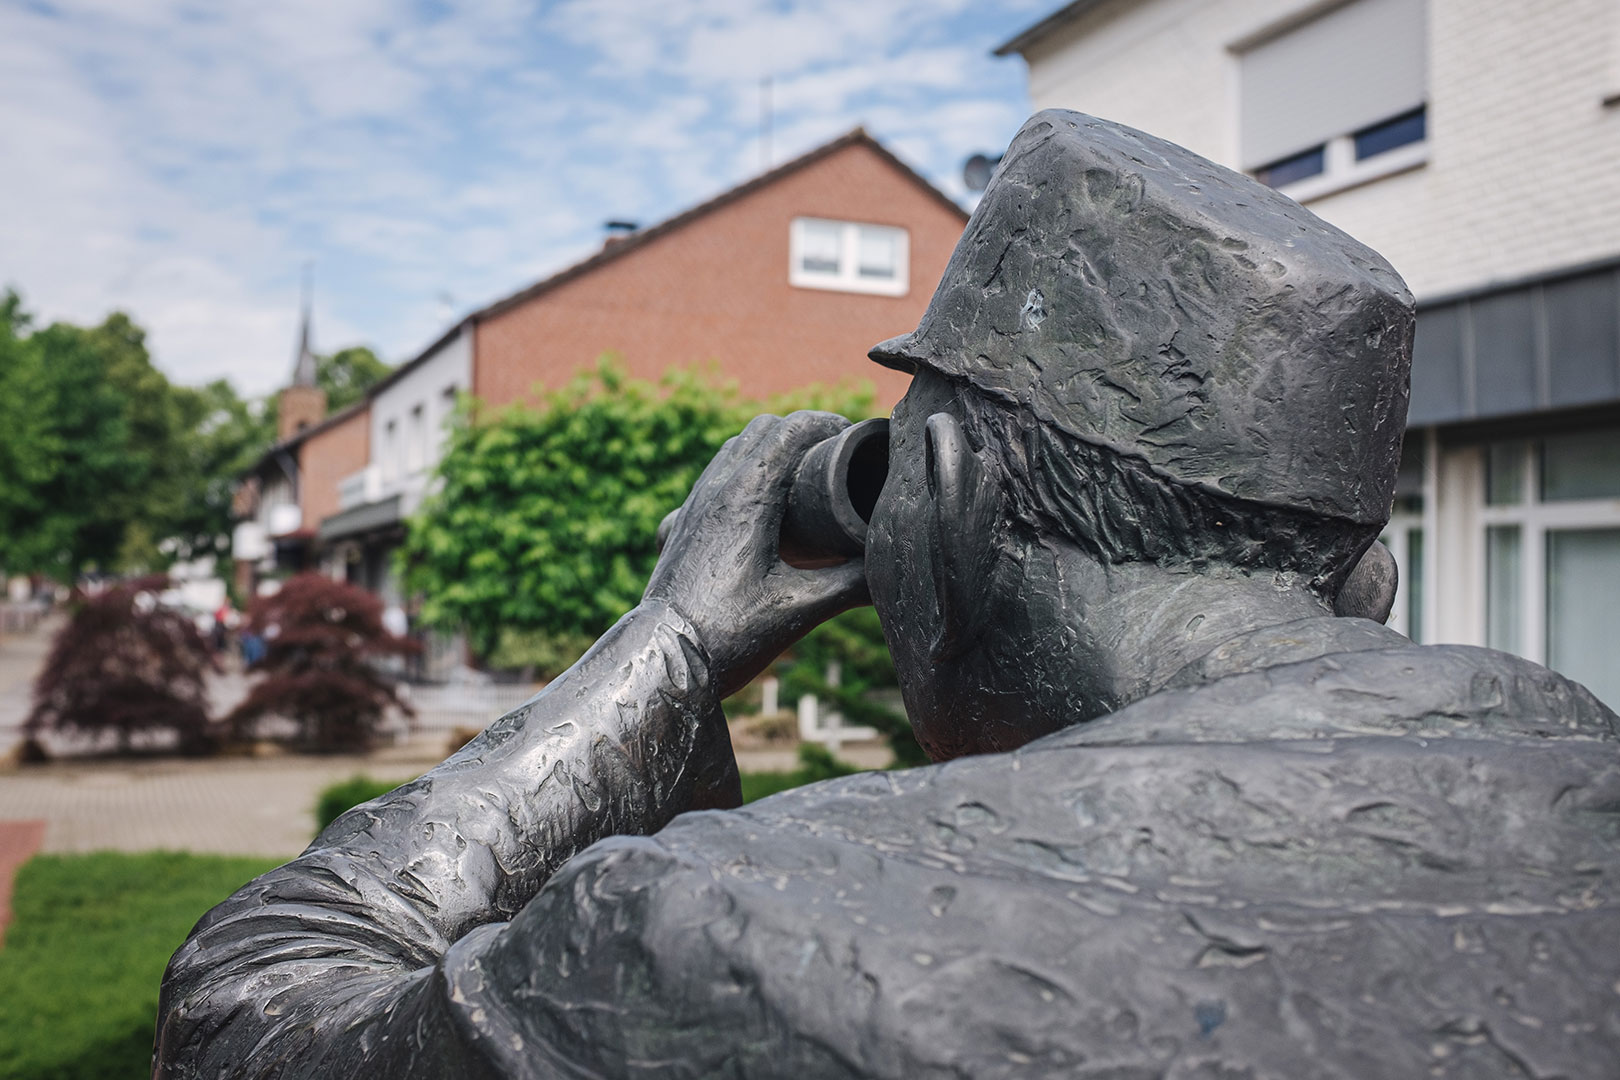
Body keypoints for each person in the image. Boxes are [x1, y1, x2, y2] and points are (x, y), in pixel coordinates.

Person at [155, 112, 1620, 1078]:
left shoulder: (745, 937)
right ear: (1373, 574)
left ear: (964, 492)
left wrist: (666, 642)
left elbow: (250, 1015)